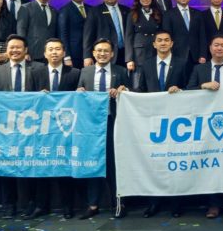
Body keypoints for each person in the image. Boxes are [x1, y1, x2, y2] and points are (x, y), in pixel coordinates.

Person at [187, 35, 223, 220]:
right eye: (216, 45)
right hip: (206, 125)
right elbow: (187, 91)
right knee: (210, 164)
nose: (219, 48)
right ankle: (213, 204)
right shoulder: (199, 69)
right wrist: (203, 86)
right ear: (210, 48)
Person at [133, 29, 189, 219]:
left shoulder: (182, 63)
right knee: (154, 162)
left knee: (175, 161)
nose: (163, 43)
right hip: (153, 120)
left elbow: (190, 88)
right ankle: (154, 203)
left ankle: (176, 203)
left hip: (177, 122)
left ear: (172, 43)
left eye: (166, 40)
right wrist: (127, 93)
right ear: (154, 44)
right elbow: (141, 90)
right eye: (160, 40)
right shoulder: (147, 64)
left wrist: (180, 90)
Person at [76, 39, 131, 219]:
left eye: (106, 51)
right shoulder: (85, 71)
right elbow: (79, 93)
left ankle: (119, 203)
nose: (102, 54)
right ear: (93, 53)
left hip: (113, 122)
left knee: (115, 164)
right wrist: (79, 92)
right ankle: (93, 205)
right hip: (91, 126)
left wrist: (123, 89)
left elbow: (131, 92)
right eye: (99, 50)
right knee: (93, 163)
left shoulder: (120, 71)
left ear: (112, 54)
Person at [30, 37, 81, 219]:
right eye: (50, 49)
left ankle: (68, 206)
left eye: (58, 49)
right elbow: (29, 100)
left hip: (65, 127)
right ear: (44, 53)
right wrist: (38, 96)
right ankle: (40, 205)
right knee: (41, 167)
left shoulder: (75, 73)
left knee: (64, 167)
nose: (54, 52)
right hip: (42, 128)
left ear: (64, 52)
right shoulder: (35, 73)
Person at [0, 34, 39, 218]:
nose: (15, 50)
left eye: (19, 47)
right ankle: (8, 205)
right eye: (11, 47)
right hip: (7, 128)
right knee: (7, 166)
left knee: (28, 166)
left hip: (31, 126)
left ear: (26, 50)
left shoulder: (38, 69)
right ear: (6, 50)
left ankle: (28, 204)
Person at [82, 0, 131, 66]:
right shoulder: (94, 12)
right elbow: (88, 36)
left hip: (125, 54)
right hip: (105, 54)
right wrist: (87, 56)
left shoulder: (126, 11)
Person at [161, 0, 207, 67]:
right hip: (176, 56)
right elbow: (167, 37)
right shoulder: (168, 15)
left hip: (196, 57)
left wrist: (203, 54)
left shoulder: (198, 14)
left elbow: (202, 36)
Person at [16, 0, 58, 64]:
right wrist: (24, 51)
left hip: (50, 54)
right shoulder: (26, 8)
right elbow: (21, 31)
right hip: (32, 54)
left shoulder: (54, 10)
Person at [124, 0, 164, 73]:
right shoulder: (132, 14)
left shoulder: (158, 13)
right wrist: (129, 59)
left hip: (155, 51)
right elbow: (128, 37)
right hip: (139, 53)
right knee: (138, 78)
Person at [57, 0, 89, 68]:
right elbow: (63, 34)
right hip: (73, 54)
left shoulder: (91, 9)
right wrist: (66, 56)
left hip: (89, 54)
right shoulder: (65, 10)